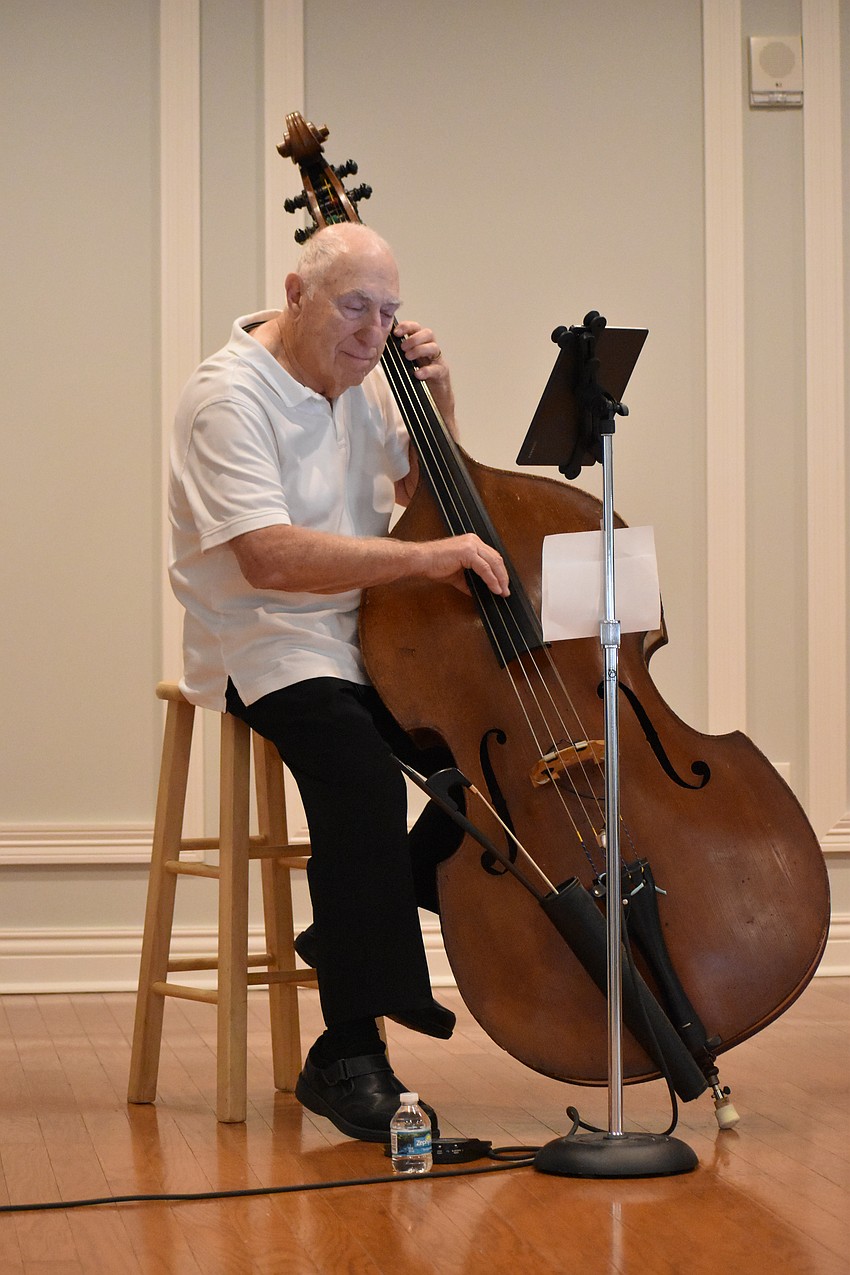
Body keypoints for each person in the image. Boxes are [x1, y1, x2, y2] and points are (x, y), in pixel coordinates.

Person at [169, 221, 509, 1143]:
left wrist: (440, 402)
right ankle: (349, 1055)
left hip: (370, 633)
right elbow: (270, 558)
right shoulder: (226, 397)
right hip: (265, 638)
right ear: (296, 293)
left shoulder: (366, 380)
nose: (373, 332)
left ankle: (364, 911)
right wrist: (425, 561)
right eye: (356, 307)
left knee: (493, 745)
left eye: (389, 313)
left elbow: (424, 500)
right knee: (361, 778)